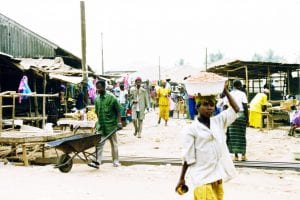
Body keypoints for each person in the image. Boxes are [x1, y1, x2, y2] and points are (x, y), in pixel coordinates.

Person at [175, 82, 240, 200]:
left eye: (212, 104)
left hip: (216, 175)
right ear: (197, 107)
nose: (209, 107)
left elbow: (236, 109)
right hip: (201, 176)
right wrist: (182, 178)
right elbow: (187, 156)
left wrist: (225, 91)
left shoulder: (218, 121)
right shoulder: (191, 129)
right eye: (205, 104)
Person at [92, 80, 123, 168]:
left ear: (104, 87)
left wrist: (119, 122)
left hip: (111, 126)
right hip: (101, 126)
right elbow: (97, 112)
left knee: (114, 144)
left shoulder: (112, 97)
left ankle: (116, 161)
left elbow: (118, 110)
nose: (98, 89)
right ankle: (97, 162)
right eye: (97, 88)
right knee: (99, 144)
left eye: (99, 87)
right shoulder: (97, 99)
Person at [224, 80, 248, 161]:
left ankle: (236, 156)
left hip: (231, 116)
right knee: (242, 135)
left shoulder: (229, 94)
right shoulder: (242, 94)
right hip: (241, 115)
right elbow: (245, 107)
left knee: (233, 136)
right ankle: (244, 155)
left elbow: (225, 107)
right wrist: (247, 118)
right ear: (240, 86)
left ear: (233, 86)